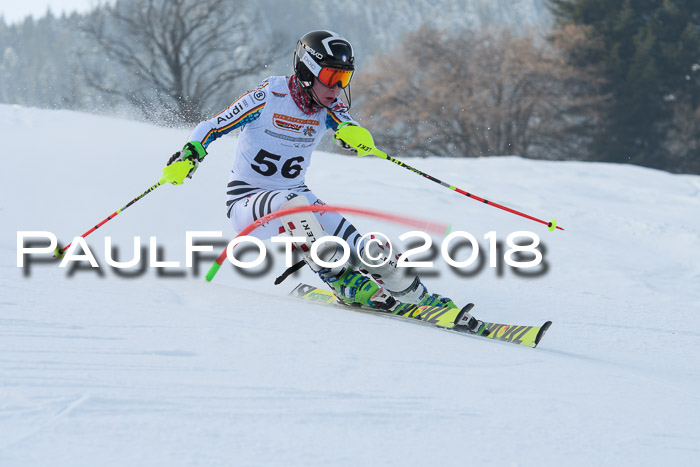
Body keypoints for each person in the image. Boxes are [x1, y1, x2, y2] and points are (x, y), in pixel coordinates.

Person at [167, 30, 456, 312]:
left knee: (367, 248)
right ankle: (339, 278)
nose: (336, 88)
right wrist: (190, 155)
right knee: (292, 205)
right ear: (307, 72)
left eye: (344, 78)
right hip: (248, 202)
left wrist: (356, 136)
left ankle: (416, 296)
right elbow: (213, 125)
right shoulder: (268, 96)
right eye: (331, 77)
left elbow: (347, 126)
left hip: (298, 198)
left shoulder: (329, 107)